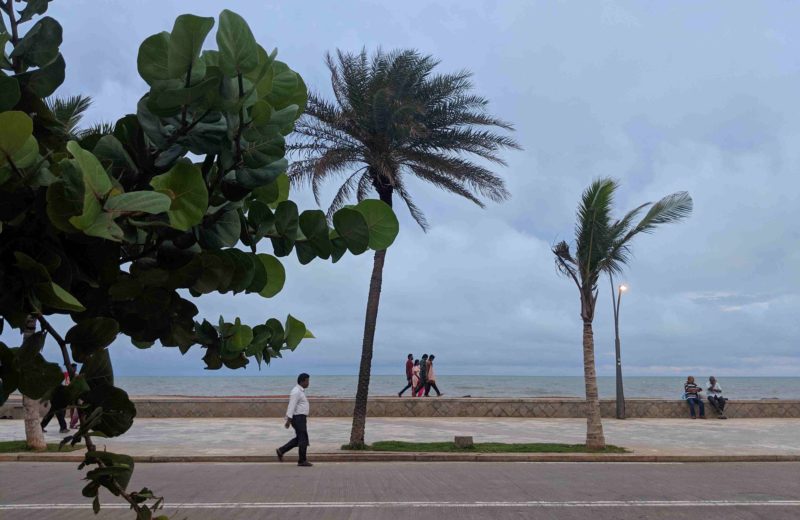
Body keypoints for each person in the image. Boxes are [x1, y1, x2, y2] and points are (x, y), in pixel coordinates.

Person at [276, 373, 313, 466]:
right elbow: (291, 406)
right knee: (303, 439)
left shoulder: (300, 391)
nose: (308, 383)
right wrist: (288, 420)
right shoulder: (296, 391)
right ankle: (302, 460)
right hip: (298, 418)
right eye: (307, 381)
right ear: (302, 381)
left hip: (301, 418)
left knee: (300, 438)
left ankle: (281, 450)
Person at [41, 366, 70, 433]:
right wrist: (46, 400)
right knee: (57, 414)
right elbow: (50, 391)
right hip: (56, 399)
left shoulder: (60, 377)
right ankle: (63, 428)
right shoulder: (55, 379)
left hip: (59, 399)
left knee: (53, 414)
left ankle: (41, 426)